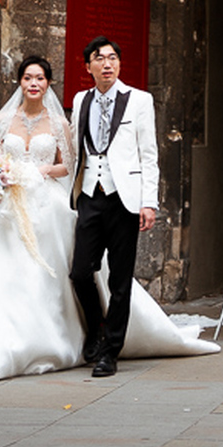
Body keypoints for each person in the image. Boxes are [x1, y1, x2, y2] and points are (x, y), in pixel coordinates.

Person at [0, 54, 216, 379]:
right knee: (2, 276)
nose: (34, 84)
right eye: (28, 78)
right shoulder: (2, 120)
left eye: (40, 78)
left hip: (48, 206)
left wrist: (42, 170)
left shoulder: (60, 123)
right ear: (19, 82)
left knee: (61, 274)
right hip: (7, 207)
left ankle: (65, 338)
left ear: (48, 84)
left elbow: (70, 166)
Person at [70, 35, 157, 378]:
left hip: (125, 199)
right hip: (90, 195)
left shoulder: (139, 100)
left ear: (119, 64)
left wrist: (149, 203)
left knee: (120, 281)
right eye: (99, 58)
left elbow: (149, 155)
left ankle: (110, 352)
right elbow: (77, 148)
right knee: (79, 273)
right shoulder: (80, 101)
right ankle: (96, 327)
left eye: (112, 58)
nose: (107, 64)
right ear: (87, 66)